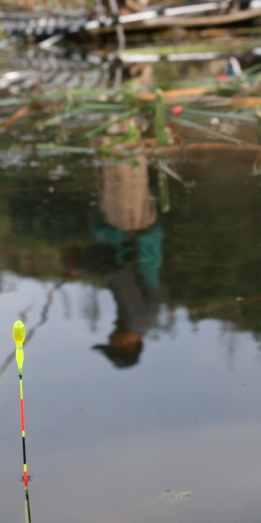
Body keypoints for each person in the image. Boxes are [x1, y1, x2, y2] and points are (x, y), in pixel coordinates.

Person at [91, 157, 162, 367]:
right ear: (128, 346)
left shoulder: (142, 322)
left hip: (141, 238)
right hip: (131, 232)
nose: (110, 337)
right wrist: (80, 267)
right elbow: (119, 274)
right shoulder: (136, 321)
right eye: (111, 343)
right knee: (120, 171)